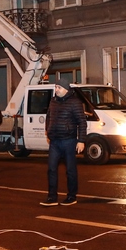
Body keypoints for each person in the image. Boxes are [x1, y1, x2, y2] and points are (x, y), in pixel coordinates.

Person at [40, 78, 86, 206]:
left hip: (68, 140)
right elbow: (48, 117)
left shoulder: (74, 102)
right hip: (55, 141)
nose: (56, 90)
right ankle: (52, 197)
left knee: (70, 170)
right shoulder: (53, 101)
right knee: (51, 169)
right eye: (56, 87)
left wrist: (81, 140)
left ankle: (71, 196)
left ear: (66, 89)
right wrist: (48, 130)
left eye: (59, 87)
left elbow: (82, 122)